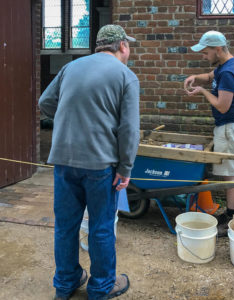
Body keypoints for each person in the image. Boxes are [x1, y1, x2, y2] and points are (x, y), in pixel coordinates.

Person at [38, 24, 140, 300]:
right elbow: (129, 130)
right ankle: (101, 286)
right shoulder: (126, 76)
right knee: (101, 226)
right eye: (128, 46)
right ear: (122, 46)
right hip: (100, 165)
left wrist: (72, 114)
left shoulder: (72, 68)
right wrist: (126, 169)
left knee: (66, 225)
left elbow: (45, 102)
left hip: (64, 160)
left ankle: (66, 283)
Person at [184, 30, 234, 237]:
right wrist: (196, 77)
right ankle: (230, 214)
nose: (203, 57)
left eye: (205, 53)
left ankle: (233, 217)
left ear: (218, 49)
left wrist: (202, 91)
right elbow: (209, 76)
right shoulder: (225, 65)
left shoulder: (228, 72)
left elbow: (222, 106)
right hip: (232, 126)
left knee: (232, 173)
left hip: (233, 127)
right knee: (228, 172)